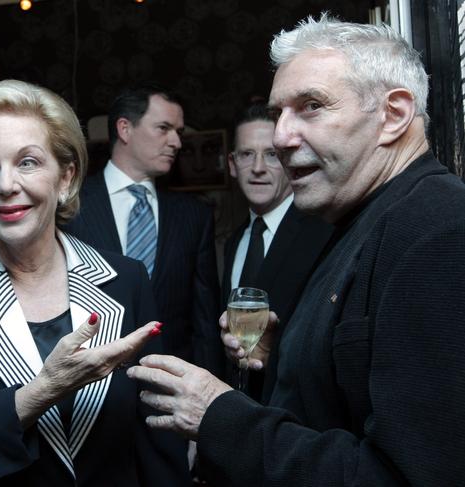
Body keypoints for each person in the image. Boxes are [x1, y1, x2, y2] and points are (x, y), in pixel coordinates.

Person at [127, 14, 465, 487]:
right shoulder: (355, 219)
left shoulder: (437, 230)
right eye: (277, 113)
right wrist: (279, 355)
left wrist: (218, 415)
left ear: (393, 114)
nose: (282, 137)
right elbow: (339, 405)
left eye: (311, 106)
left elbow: (410, 475)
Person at [0, 80, 188, 486]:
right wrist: (38, 393)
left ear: (66, 177)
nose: (5, 185)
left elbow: (158, 439)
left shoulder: (125, 280)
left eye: (28, 162)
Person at [63, 83, 224, 378]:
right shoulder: (70, 207)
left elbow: (204, 321)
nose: (176, 142)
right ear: (125, 129)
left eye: (179, 131)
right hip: (88, 384)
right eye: (164, 128)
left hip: (171, 385)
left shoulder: (193, 216)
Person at [222, 103, 333, 401]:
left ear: (288, 160)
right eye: (247, 154)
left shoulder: (323, 234)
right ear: (232, 165)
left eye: (271, 154)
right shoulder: (234, 242)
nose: (258, 168)